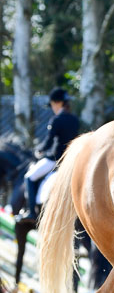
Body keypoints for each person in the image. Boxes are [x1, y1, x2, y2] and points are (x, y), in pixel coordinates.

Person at [16, 87, 80, 223]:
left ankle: (31, 212)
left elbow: (49, 141)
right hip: (71, 160)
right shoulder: (75, 120)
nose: (52, 107)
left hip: (55, 159)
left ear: (57, 103)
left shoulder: (56, 120)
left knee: (29, 177)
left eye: (52, 104)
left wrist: (39, 150)